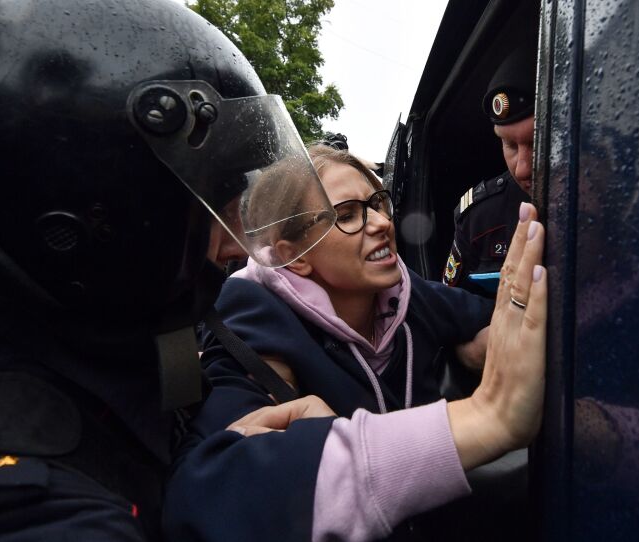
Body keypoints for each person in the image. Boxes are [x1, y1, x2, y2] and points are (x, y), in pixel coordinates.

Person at [0, 0, 337, 539]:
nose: (237, 241)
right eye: (220, 199)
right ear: (112, 217)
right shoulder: (12, 508)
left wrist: (210, 464)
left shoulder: (117, 363)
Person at [164, 145, 546, 540]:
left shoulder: (405, 291)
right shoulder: (255, 321)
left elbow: (490, 320)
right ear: (295, 257)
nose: (380, 222)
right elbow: (214, 488)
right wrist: (489, 414)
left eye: (378, 203)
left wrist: (470, 349)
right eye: (346, 215)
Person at [443, 42, 536, 291]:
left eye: (537, 143)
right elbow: (454, 310)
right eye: (511, 146)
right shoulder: (479, 220)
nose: (522, 169)